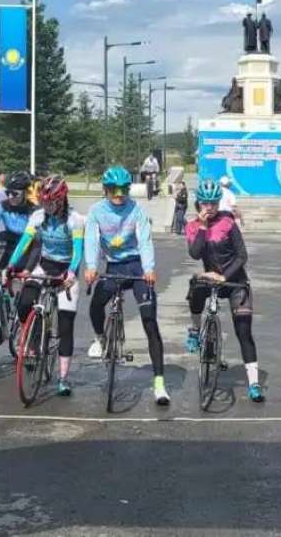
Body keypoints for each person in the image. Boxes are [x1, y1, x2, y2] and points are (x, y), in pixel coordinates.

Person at [83, 166, 169, 406]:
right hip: (113, 267)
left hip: (136, 266)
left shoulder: (136, 210)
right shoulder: (96, 211)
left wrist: (149, 268)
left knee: (149, 321)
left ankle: (159, 384)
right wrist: (91, 266)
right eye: (114, 190)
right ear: (106, 190)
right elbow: (91, 239)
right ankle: (102, 341)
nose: (119, 194)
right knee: (96, 305)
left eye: (123, 189)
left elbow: (145, 240)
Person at [184, 179, 263, 402]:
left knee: (244, 332)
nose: (209, 207)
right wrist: (201, 226)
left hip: (235, 281)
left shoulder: (228, 223)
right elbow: (195, 254)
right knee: (196, 287)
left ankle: (254, 383)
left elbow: (242, 256)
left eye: (214, 203)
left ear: (219, 203)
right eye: (205, 203)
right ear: (198, 203)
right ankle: (195, 329)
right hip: (211, 280)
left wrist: (224, 276)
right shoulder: (192, 226)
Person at [7, 175, 83, 396]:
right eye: (43, 202)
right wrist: (10, 266)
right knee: (23, 302)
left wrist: (71, 273)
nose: (46, 206)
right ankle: (33, 339)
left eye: (50, 202)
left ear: (61, 201)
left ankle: (63, 378)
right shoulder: (38, 217)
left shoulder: (74, 219)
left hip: (67, 268)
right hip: (45, 265)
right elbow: (24, 242)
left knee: (66, 324)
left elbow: (78, 250)